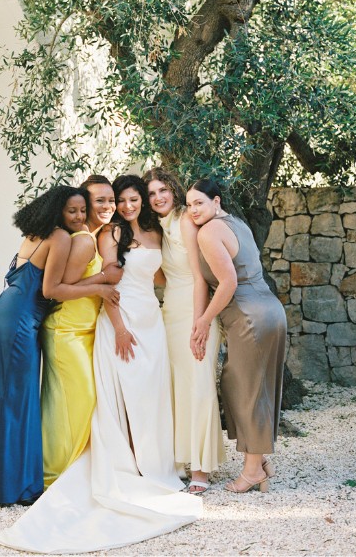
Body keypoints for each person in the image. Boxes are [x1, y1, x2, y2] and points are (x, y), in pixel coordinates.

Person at [0, 174, 200, 553]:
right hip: (118, 322)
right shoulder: (106, 236)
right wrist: (119, 327)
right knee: (111, 396)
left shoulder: (155, 232)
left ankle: (155, 463)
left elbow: (154, 275)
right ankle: (68, 469)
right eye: (116, 201)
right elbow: (103, 283)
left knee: (153, 393)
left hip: (151, 320)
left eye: (129, 199)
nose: (124, 206)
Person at [0, 185, 115, 506]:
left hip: (9, 309)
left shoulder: (39, 234)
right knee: (17, 399)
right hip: (21, 317)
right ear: (58, 212)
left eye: (83, 210)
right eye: (72, 211)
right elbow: (52, 290)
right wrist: (100, 285)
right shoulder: (62, 238)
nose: (80, 217)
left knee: (7, 395)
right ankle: (18, 488)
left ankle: (4, 483)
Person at [187, 179, 288, 494]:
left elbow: (228, 282)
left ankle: (251, 472)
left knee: (246, 391)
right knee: (254, 389)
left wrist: (203, 321)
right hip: (270, 310)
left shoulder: (208, 231)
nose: (193, 211)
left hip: (249, 317)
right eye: (189, 205)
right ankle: (259, 464)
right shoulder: (238, 224)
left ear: (215, 201)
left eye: (199, 203)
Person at [144, 166, 225, 491]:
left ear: (173, 190)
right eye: (151, 193)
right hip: (170, 311)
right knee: (177, 387)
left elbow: (198, 275)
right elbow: (161, 275)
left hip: (195, 309)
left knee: (200, 384)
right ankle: (180, 460)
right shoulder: (158, 227)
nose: (158, 197)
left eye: (162, 190)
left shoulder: (185, 221)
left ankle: (201, 470)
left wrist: (200, 323)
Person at [38, 187, 120, 489]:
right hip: (66, 331)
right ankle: (55, 474)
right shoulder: (84, 240)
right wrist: (101, 283)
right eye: (98, 201)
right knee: (79, 399)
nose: (106, 206)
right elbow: (59, 288)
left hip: (82, 331)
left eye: (110, 200)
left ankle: (68, 468)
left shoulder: (93, 236)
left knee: (68, 403)